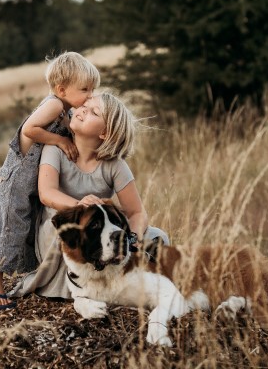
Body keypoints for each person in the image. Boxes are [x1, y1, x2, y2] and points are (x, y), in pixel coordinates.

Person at [9, 92, 170, 300]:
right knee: (65, 232)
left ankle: (134, 282)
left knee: (157, 236)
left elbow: (136, 211)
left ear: (104, 133)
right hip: (60, 229)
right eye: (85, 105)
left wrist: (133, 238)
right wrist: (79, 205)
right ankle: (68, 287)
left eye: (94, 111)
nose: (83, 110)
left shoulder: (115, 165)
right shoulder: (55, 150)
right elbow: (46, 193)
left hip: (100, 236)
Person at [0, 52, 101, 310]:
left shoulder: (65, 111)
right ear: (62, 89)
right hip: (16, 179)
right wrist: (60, 140)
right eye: (85, 89)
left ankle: (20, 273)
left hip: (29, 183)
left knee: (25, 228)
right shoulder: (55, 105)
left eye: (93, 90)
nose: (90, 95)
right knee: (9, 227)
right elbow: (29, 130)